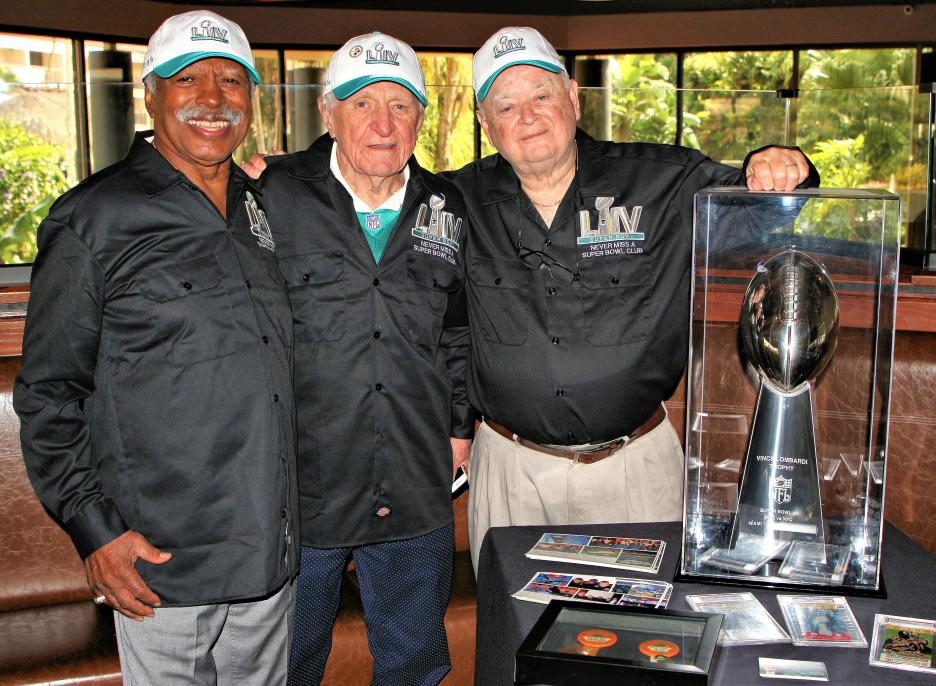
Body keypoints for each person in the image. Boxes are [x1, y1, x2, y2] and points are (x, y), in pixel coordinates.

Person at [450, 27, 820, 573]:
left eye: (541, 96)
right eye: (506, 105)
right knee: (516, 649)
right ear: (485, 122)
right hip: (510, 472)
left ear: (573, 98)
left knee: (643, 646)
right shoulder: (455, 200)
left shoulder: (661, 181)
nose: (527, 116)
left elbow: (768, 204)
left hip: (634, 470)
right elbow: (436, 319)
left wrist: (785, 167)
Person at [13, 10, 298, 684]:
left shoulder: (262, 208)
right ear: (150, 94)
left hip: (271, 549)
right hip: (160, 560)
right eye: (187, 79)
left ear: (253, 99)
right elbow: (49, 393)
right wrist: (95, 531)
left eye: (233, 81)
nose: (213, 98)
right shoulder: (94, 217)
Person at [256, 32, 472, 686]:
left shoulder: (448, 205)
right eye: (362, 104)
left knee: (413, 663)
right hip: (300, 484)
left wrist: (460, 426)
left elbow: (459, 330)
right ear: (328, 112)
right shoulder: (272, 194)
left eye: (401, 105)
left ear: (421, 118)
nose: (383, 124)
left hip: (411, 480)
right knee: (289, 663)